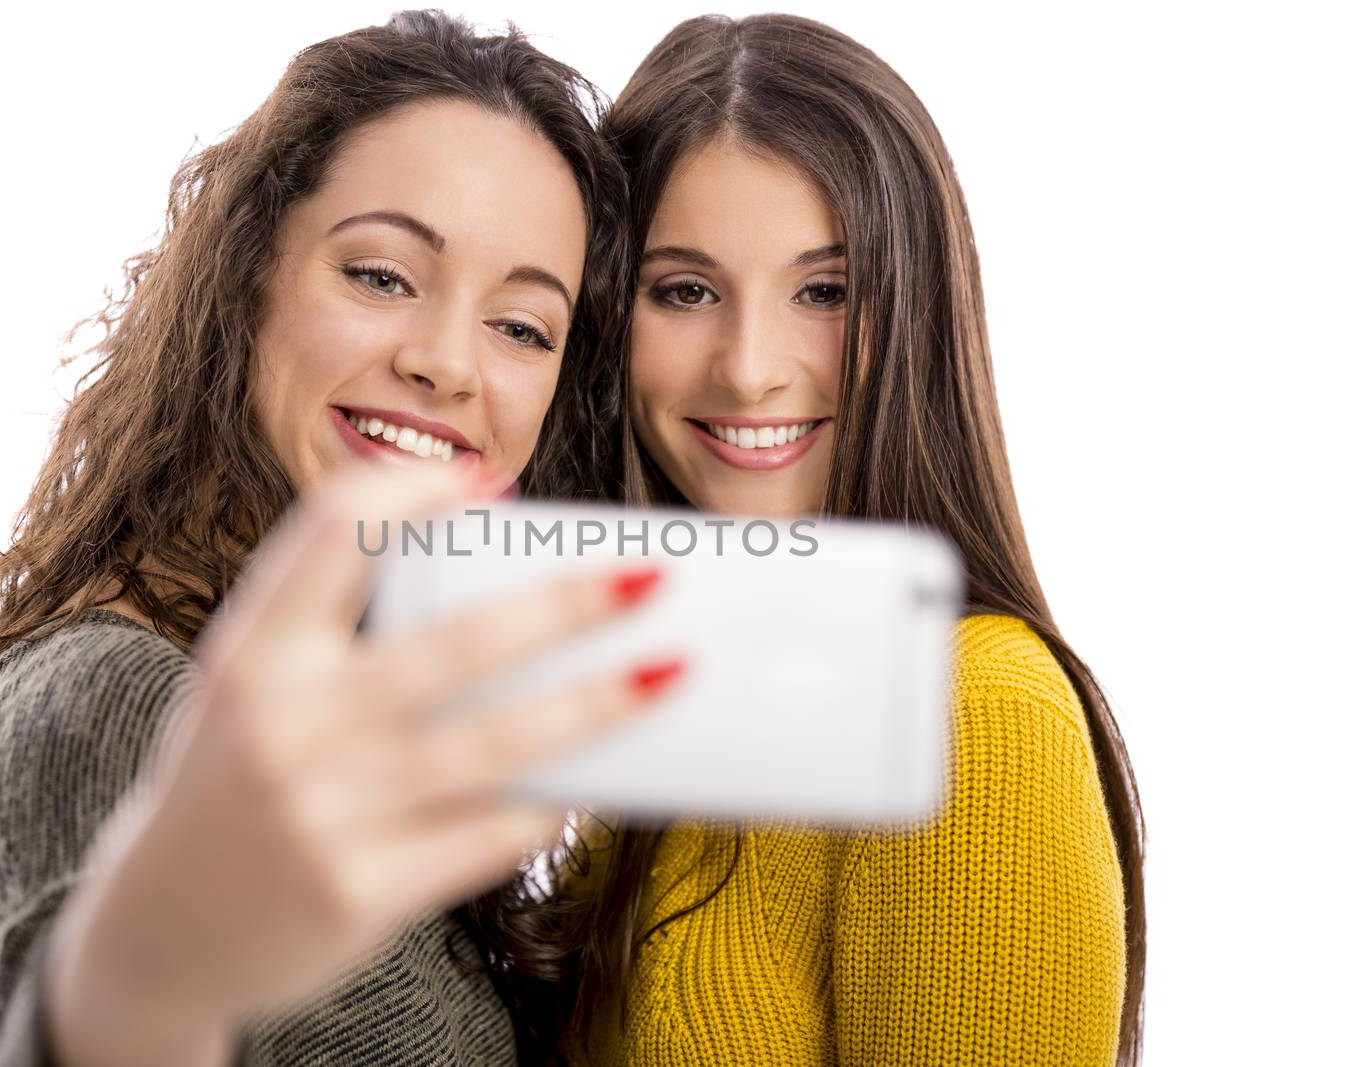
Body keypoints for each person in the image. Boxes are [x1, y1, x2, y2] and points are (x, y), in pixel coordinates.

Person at [0, 11, 673, 1066]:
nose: (448, 364)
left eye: (521, 326)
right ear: (247, 278)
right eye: (380, 275)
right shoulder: (116, 700)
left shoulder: (359, 734)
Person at [473, 14, 1147, 1067]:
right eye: (685, 290)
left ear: (916, 314)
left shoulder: (968, 716)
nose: (748, 368)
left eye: (824, 291)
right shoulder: (681, 717)